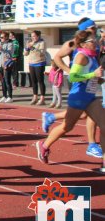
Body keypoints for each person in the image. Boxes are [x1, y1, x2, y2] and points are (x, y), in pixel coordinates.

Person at [36, 30, 104, 172]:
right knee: (67, 127)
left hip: (90, 97)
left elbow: (89, 77)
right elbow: (72, 77)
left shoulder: (92, 56)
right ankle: (44, 145)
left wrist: (98, 79)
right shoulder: (81, 56)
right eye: (93, 41)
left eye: (96, 39)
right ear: (84, 44)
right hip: (78, 97)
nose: (96, 42)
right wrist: (93, 74)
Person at [24, 30, 46, 105]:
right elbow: (25, 54)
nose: (33, 37)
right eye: (32, 36)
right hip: (31, 63)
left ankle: (42, 98)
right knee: (33, 81)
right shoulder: (30, 42)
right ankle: (35, 97)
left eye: (34, 36)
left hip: (39, 63)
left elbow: (42, 52)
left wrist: (33, 47)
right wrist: (27, 48)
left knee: (40, 80)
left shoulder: (42, 42)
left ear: (38, 36)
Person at [0, 32, 15, 103]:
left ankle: (10, 96)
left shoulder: (10, 44)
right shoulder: (0, 44)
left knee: (7, 80)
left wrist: (1, 49)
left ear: (6, 37)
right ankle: (4, 95)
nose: (1, 39)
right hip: (0, 64)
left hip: (7, 64)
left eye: (2, 37)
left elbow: (9, 54)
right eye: (0, 37)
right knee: (2, 81)